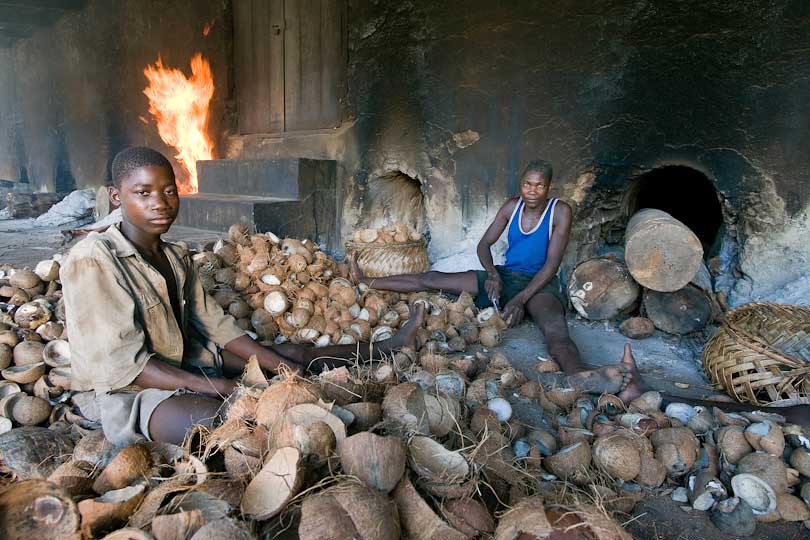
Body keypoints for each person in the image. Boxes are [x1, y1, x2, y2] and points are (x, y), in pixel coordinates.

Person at [62, 147, 424, 446]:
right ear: (115, 196)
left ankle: (390, 345)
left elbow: (216, 326)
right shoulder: (94, 260)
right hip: (127, 392)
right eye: (143, 193)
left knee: (293, 354)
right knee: (236, 419)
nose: (159, 202)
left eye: (168, 191)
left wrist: (279, 366)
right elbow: (127, 367)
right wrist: (223, 387)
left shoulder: (174, 256)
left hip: (187, 362)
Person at [351, 159, 633, 396]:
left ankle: (580, 375)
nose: (532, 191)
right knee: (434, 278)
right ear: (521, 184)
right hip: (507, 276)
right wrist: (494, 275)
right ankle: (367, 280)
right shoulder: (512, 207)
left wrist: (521, 299)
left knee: (555, 332)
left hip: (541, 283)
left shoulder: (559, 211)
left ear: (548, 187)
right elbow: (483, 245)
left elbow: (551, 265)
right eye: (527, 184)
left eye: (539, 186)